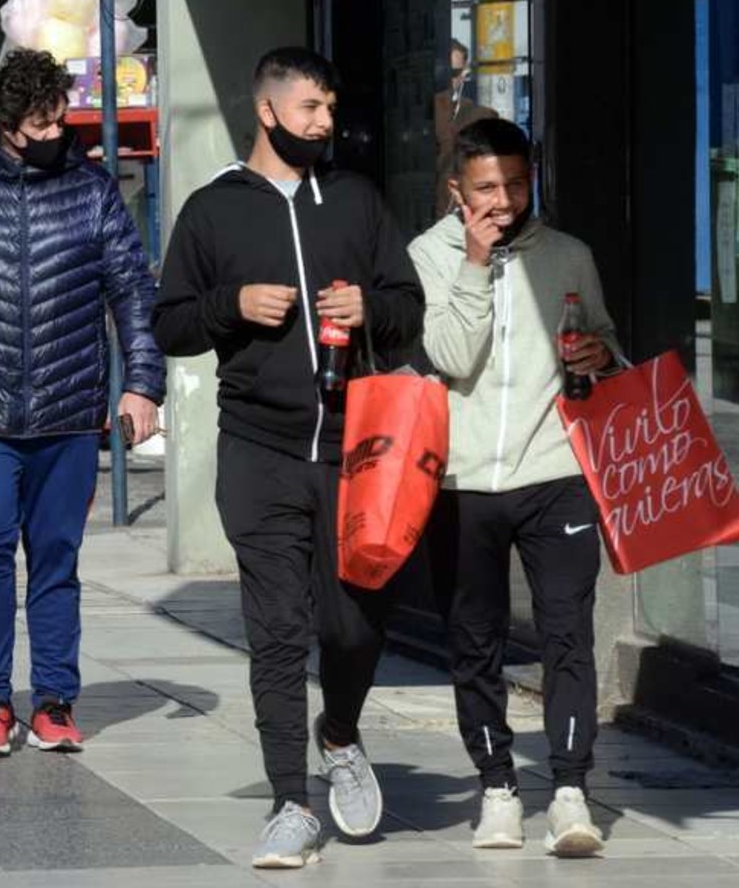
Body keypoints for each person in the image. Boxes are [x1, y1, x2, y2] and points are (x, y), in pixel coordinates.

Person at [151, 47, 424, 869]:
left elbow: (407, 310)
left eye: (329, 109)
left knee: (353, 624)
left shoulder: (354, 200)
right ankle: (288, 802)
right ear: (267, 112)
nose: (325, 122)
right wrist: (228, 306)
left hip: (356, 450)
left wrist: (367, 306)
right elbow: (169, 324)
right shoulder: (212, 211)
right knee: (274, 630)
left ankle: (337, 733)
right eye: (310, 108)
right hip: (258, 451)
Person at [0, 49, 165, 759]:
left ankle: (52, 699)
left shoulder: (92, 190)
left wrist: (141, 383)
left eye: (59, 121)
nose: (55, 136)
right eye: (39, 125)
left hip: (69, 407)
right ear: (5, 125)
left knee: (55, 555)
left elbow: (132, 290)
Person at [409, 117, 618, 857]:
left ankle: (568, 789)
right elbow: (450, 356)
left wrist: (598, 353)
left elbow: (603, 348)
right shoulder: (425, 258)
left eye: (517, 184)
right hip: (459, 481)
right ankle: (496, 785)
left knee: (567, 634)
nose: (503, 200)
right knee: (473, 640)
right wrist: (473, 262)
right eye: (487, 188)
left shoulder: (566, 255)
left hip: (554, 474)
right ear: (455, 191)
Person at [434, 38, 498, 218]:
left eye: (453, 73)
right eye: (441, 73)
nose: (447, 80)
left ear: (464, 73)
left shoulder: (480, 117)